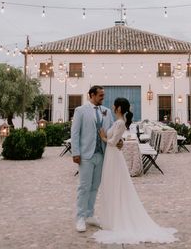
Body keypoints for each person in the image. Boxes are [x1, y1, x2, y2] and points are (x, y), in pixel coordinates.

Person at [93, 97, 177, 244]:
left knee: (115, 186)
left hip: (113, 157)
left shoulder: (120, 123)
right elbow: (116, 139)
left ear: (119, 108)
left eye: (114, 105)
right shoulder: (117, 122)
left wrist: (103, 137)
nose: (112, 107)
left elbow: (112, 142)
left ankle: (118, 219)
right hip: (111, 157)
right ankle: (112, 217)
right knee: (110, 185)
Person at [71, 85, 116, 232]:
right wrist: (75, 153)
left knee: (94, 187)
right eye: (100, 95)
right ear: (91, 95)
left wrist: (118, 139)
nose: (103, 98)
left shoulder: (107, 112)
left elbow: (110, 130)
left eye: (103, 95)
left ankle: (90, 215)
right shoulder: (80, 111)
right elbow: (75, 133)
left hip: (102, 155)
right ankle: (80, 218)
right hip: (85, 155)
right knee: (84, 187)